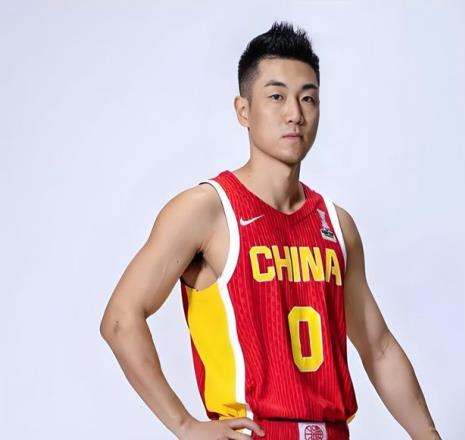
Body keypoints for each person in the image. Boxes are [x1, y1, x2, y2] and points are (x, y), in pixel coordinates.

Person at [100, 21, 442, 440]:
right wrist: (185, 425)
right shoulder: (208, 210)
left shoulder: (336, 224)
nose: (294, 113)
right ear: (243, 110)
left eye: (308, 98)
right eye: (276, 96)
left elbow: (380, 348)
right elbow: (121, 319)